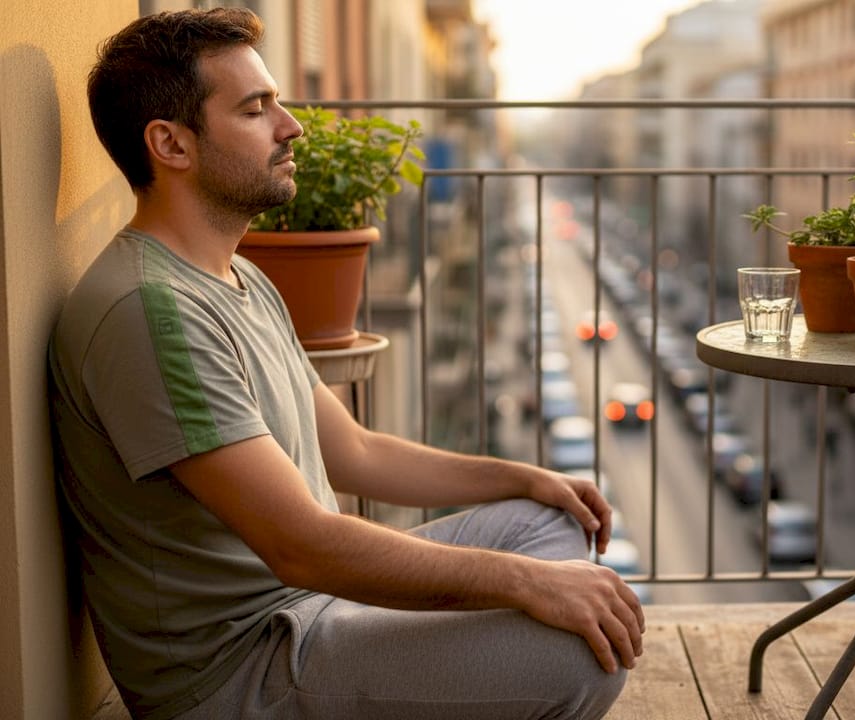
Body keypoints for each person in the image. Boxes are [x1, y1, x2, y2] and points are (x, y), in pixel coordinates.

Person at [49, 8, 643, 720]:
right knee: (579, 654)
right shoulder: (151, 313)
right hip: (242, 669)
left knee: (552, 524)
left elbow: (355, 451)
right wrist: (522, 585)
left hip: (313, 610)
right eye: (255, 109)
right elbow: (301, 546)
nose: (290, 125)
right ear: (171, 144)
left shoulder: (238, 277)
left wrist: (525, 478)